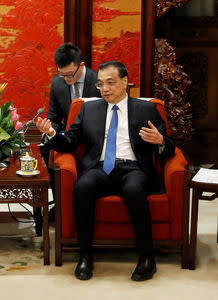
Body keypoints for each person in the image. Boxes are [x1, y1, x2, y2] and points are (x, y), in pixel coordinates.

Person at [34, 61, 175, 281]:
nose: (105, 88)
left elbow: (169, 147)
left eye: (110, 82)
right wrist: (52, 133)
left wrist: (160, 141)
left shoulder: (146, 109)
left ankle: (147, 257)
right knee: (83, 187)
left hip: (133, 168)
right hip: (100, 168)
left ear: (125, 81)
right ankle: (86, 256)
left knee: (135, 190)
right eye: (100, 84)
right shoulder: (88, 109)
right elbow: (70, 142)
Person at [43, 42, 101, 222]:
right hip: (69, 136)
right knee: (46, 146)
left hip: (94, 137)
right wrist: (52, 131)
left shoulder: (98, 81)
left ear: (80, 65)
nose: (66, 78)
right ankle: (60, 202)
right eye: (62, 74)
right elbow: (54, 116)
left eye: (70, 74)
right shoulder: (57, 83)